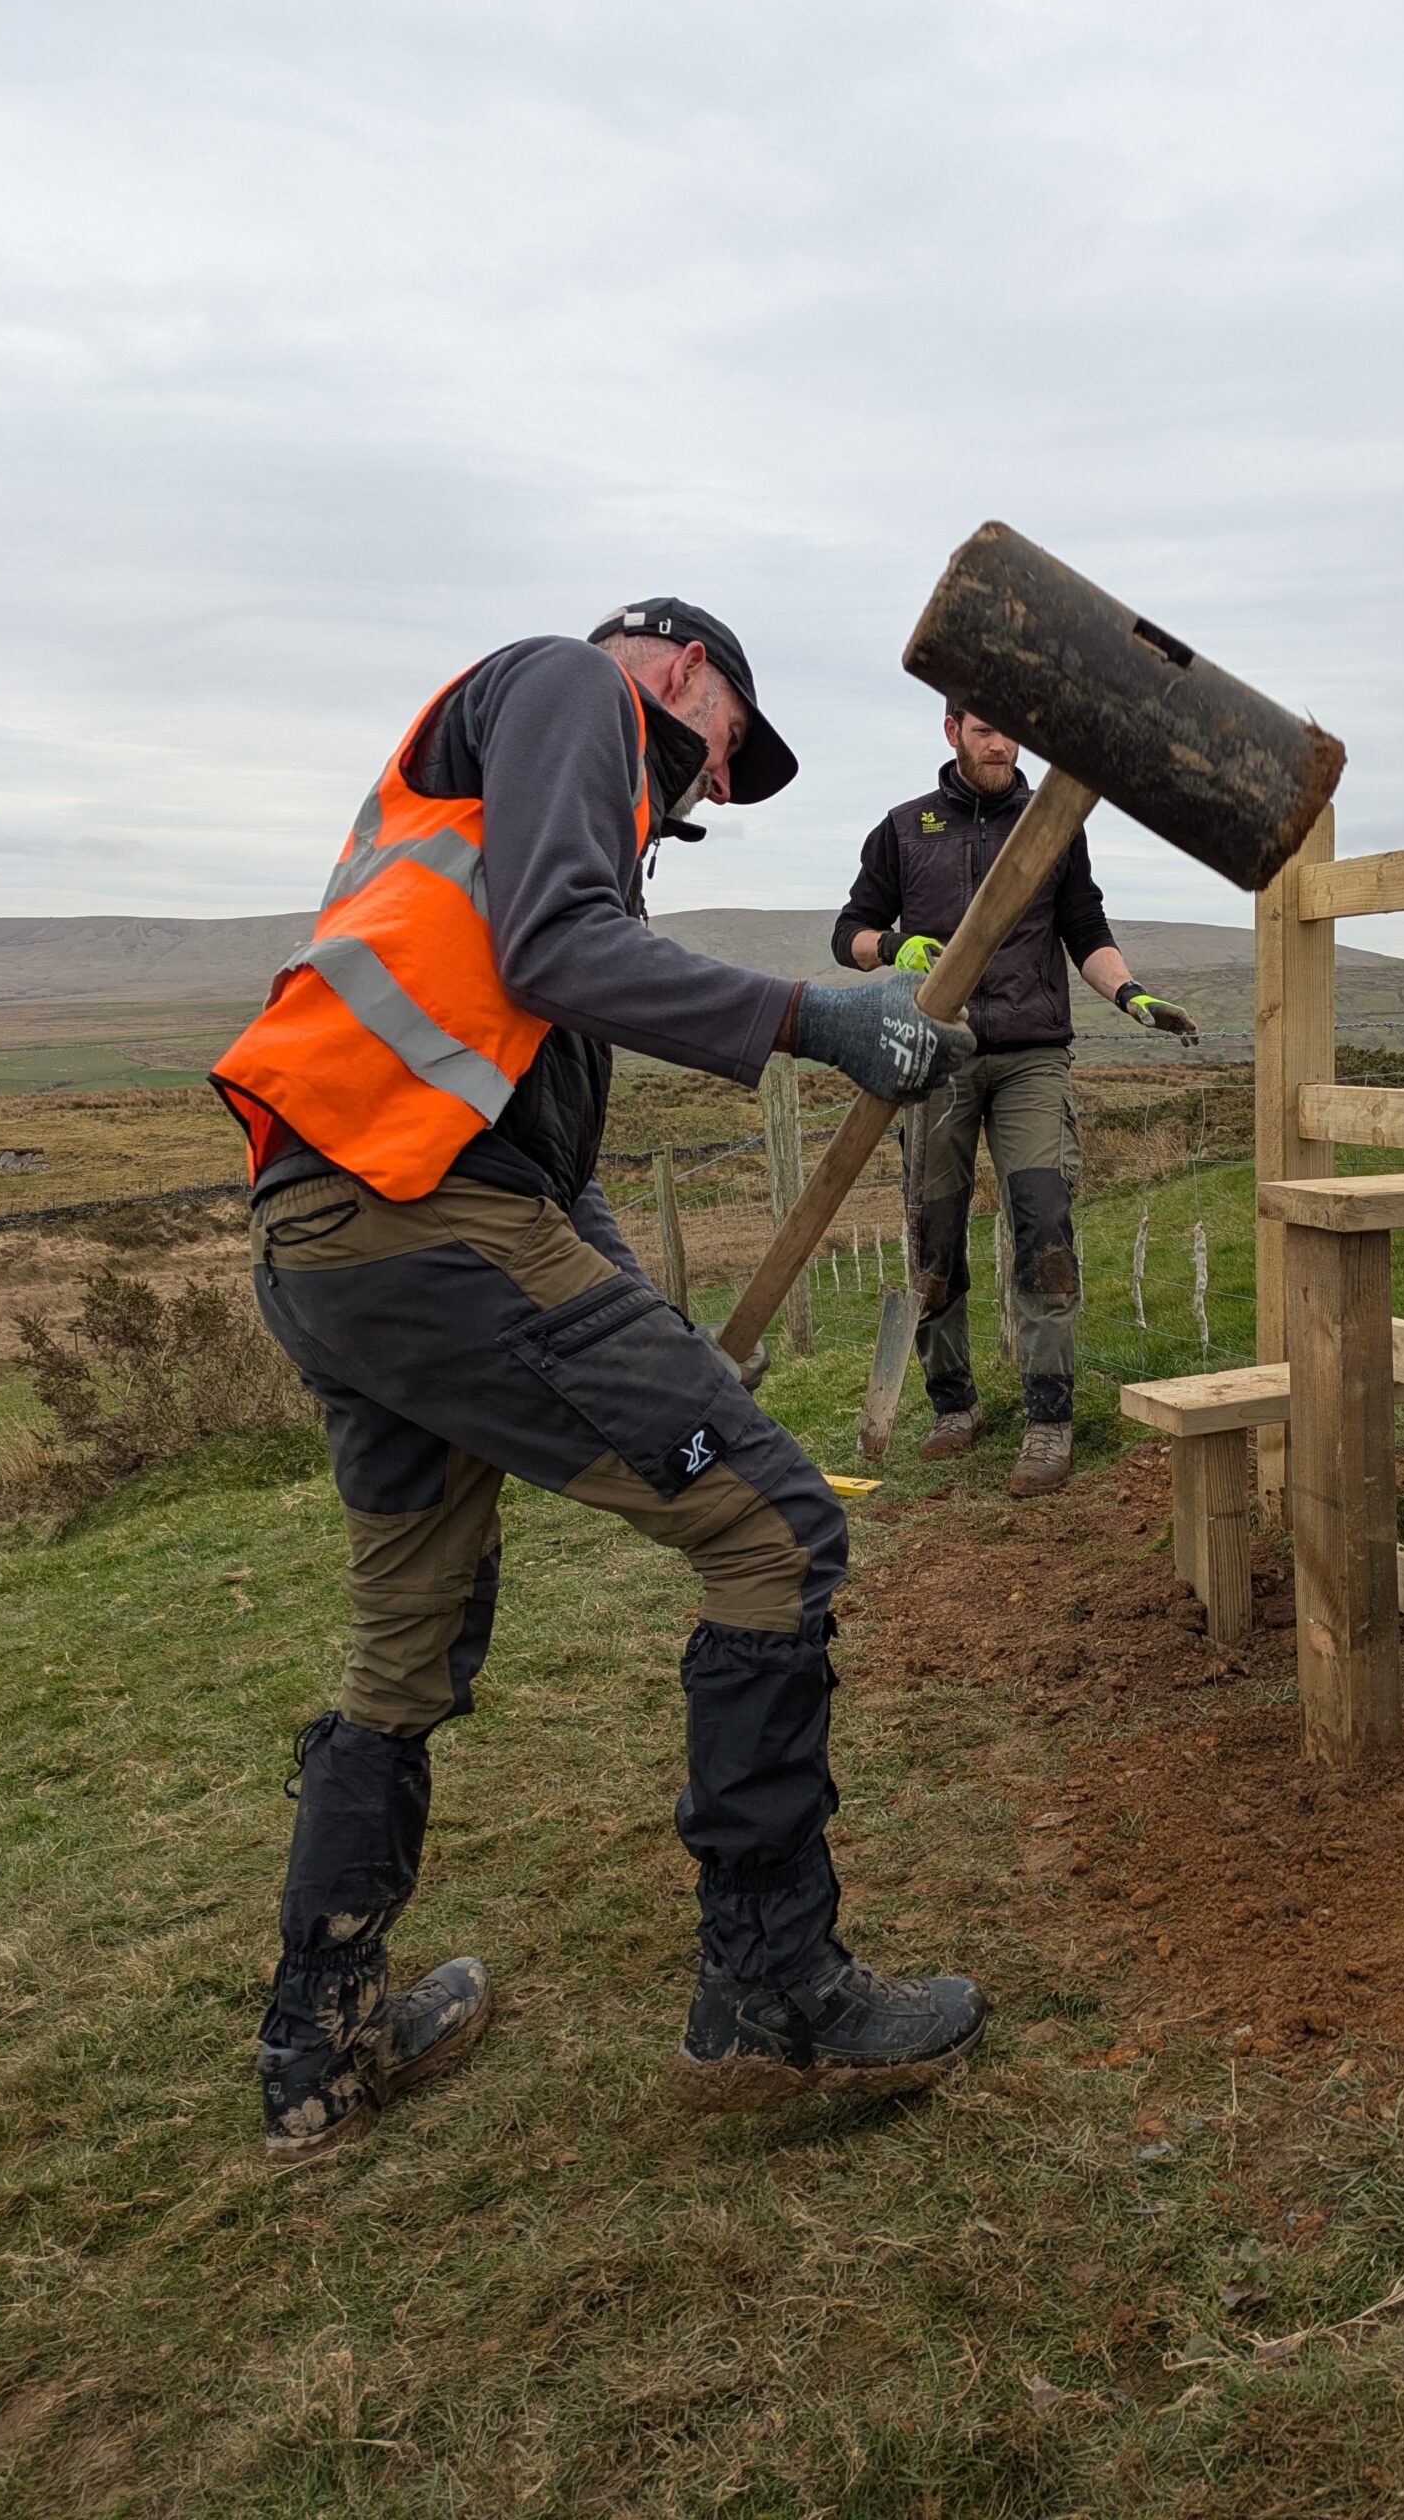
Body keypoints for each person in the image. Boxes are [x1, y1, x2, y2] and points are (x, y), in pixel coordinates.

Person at [211, 600, 985, 2164]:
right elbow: (560, 952)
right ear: (679, 670)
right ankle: (770, 1989)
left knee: (404, 1645)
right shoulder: (572, 688)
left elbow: (548, 1175)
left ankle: (317, 2044)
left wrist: (657, 1337)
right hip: (421, 1223)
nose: (712, 787)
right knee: (772, 1534)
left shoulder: (500, 852)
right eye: (724, 749)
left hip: (335, 1236)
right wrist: (809, 1019)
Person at [831, 701, 1198, 1496]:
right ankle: (953, 1407)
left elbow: (1085, 929)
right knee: (934, 1240)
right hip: (939, 1054)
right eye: (984, 731)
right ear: (952, 731)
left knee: (1045, 1229)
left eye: (1011, 732)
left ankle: (1048, 1420)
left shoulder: (1052, 825)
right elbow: (848, 934)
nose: (1001, 745)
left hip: (1033, 1056)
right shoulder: (904, 829)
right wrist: (895, 945)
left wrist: (1131, 995)